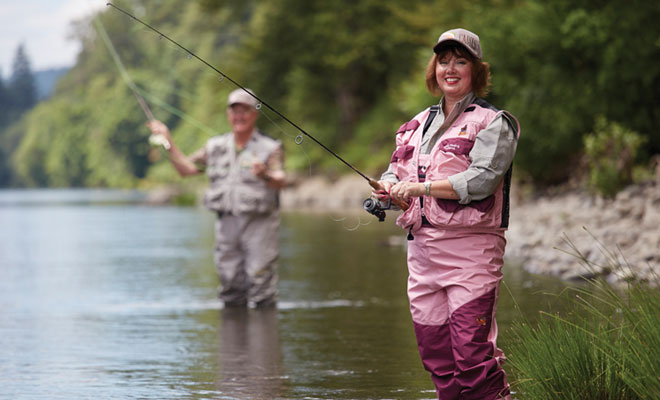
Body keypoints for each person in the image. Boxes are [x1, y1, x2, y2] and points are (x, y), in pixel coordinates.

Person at [373, 28, 520, 400]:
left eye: (460, 61)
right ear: (434, 68)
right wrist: (389, 191)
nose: (450, 68)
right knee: (436, 356)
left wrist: (420, 189)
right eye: (443, 61)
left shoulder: (494, 122)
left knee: (473, 356)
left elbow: (483, 179)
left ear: (477, 70)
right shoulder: (413, 126)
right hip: (422, 254)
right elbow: (396, 174)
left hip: (472, 252)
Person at [147, 88, 286, 308]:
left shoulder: (271, 148)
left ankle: (263, 341)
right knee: (230, 285)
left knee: (262, 284)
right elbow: (186, 169)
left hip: (260, 225)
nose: (239, 116)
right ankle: (233, 342)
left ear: (255, 113)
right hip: (227, 224)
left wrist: (265, 174)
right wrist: (168, 141)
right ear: (228, 114)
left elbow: (280, 179)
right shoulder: (215, 147)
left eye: (245, 111)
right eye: (234, 111)